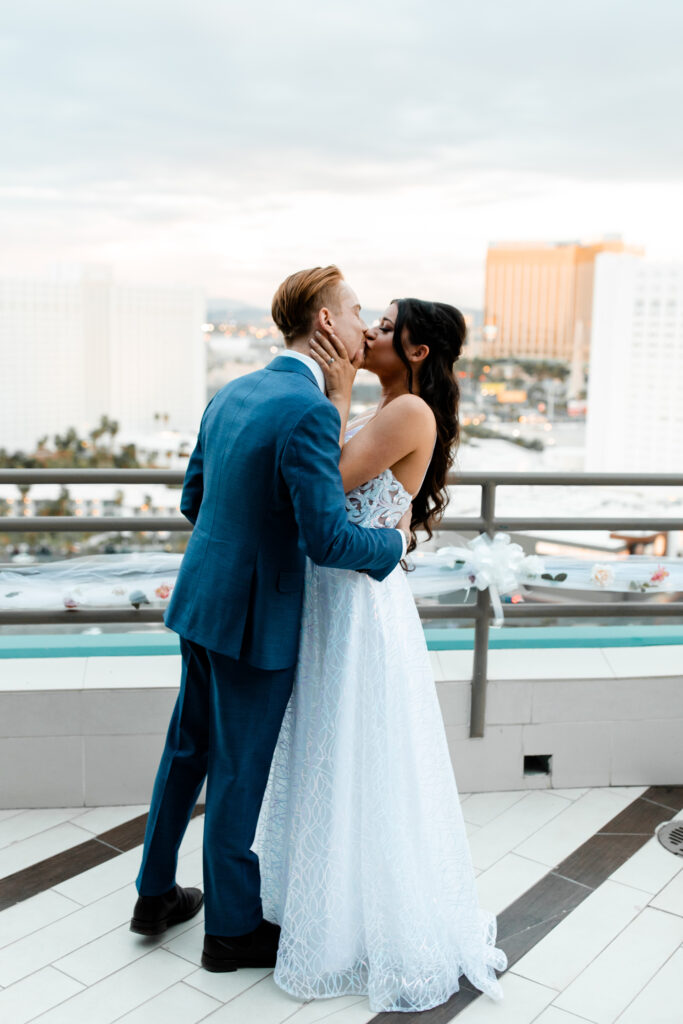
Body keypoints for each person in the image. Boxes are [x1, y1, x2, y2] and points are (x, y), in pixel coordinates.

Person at [130, 267, 410, 973]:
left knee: (185, 753)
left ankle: (154, 894)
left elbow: (195, 499)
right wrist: (396, 543)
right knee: (237, 772)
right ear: (323, 323)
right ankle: (229, 933)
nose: (361, 324)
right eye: (353, 312)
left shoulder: (234, 391)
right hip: (256, 622)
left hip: (201, 602)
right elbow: (328, 541)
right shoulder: (309, 412)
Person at [253, 298, 507, 1012]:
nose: (368, 332)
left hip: (359, 608)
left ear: (418, 352)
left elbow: (322, 482)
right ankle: (325, 912)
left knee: (358, 753)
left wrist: (333, 395)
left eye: (387, 327)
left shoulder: (405, 414)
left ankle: (360, 928)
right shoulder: (383, 409)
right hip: (336, 600)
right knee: (330, 752)